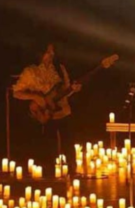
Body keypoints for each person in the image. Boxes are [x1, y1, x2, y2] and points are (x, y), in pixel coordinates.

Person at [12, 43, 82, 172]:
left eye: (52, 52)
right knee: (49, 146)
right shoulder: (30, 71)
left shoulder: (58, 69)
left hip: (62, 111)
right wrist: (34, 97)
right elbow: (16, 92)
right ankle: (48, 173)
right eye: (49, 52)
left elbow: (63, 92)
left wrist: (73, 89)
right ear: (41, 53)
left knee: (68, 141)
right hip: (45, 114)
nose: (52, 55)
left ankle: (72, 171)